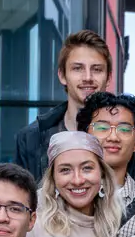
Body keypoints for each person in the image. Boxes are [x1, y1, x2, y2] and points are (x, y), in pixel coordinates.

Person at [14, 29, 114, 183]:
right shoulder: (31, 138)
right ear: (62, 75)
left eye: (97, 69)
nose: (87, 77)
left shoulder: (127, 139)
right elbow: (22, 201)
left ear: (108, 78)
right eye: (77, 68)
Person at [24, 132, 123, 237]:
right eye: (65, 170)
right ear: (53, 179)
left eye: (87, 168)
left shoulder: (115, 236)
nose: (77, 180)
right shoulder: (33, 230)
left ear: (102, 174)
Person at [79, 89, 135, 226]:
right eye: (102, 127)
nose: (113, 137)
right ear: (84, 136)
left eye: (124, 129)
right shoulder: (57, 198)